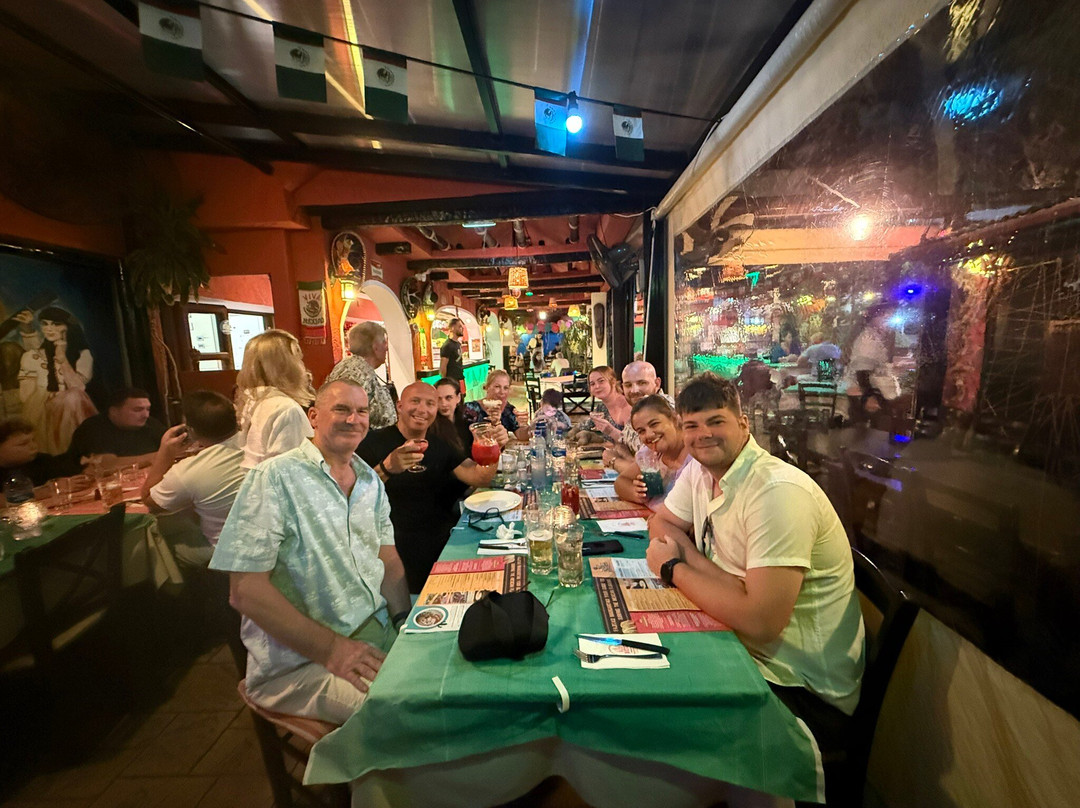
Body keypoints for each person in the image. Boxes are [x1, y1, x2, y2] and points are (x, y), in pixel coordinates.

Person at [645, 372, 864, 752]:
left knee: (654, 717)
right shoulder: (700, 469)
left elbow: (761, 623)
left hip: (799, 690)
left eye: (716, 421)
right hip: (740, 645)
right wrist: (716, 577)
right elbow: (660, 523)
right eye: (692, 426)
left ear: (743, 424)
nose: (703, 435)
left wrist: (674, 568)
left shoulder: (777, 493)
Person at [210, 379, 411, 724]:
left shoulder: (369, 480)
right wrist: (332, 649)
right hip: (301, 662)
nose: (354, 419)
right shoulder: (274, 477)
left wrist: (403, 620)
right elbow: (245, 591)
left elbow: (387, 559)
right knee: (404, 715)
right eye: (341, 409)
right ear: (313, 417)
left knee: (447, 680)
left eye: (362, 411)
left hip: (374, 630)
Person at [358, 382, 499, 594]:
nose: (422, 409)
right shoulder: (372, 442)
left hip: (444, 545)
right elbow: (354, 496)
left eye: (430, 404)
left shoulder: (440, 444)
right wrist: (387, 468)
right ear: (399, 406)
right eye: (415, 401)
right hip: (395, 550)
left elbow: (479, 477)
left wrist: (493, 448)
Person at [141, 391, 247, 567]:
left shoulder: (189, 471)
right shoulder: (257, 444)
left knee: (158, 543)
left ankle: (180, 584)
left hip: (228, 554)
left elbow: (149, 500)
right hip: (267, 544)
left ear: (191, 430)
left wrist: (165, 452)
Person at [16, 306, 97, 455]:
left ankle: (80, 451)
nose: (49, 329)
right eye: (45, 324)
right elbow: (25, 396)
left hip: (73, 406)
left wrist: (62, 358)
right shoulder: (31, 357)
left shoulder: (83, 355)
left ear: (68, 327)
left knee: (73, 397)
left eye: (56, 324)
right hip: (43, 409)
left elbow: (78, 388)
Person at [235, 329, 315, 470]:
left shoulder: (252, 401)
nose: (303, 366)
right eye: (298, 359)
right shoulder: (286, 408)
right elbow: (292, 470)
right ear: (287, 366)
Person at [613, 396, 691, 511]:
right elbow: (621, 481)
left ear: (674, 419)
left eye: (654, 424)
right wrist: (636, 493)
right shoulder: (650, 454)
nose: (649, 434)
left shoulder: (696, 454)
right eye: (641, 431)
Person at [601, 361, 674, 475]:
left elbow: (650, 473)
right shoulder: (639, 409)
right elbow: (624, 444)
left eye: (642, 383)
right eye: (628, 385)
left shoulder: (664, 409)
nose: (634, 390)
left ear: (657, 383)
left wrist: (614, 461)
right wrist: (630, 459)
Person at [67, 387, 167, 465]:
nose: (146, 415)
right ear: (114, 411)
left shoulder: (150, 423)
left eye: (148, 409)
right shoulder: (92, 429)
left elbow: (172, 444)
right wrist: (161, 455)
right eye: (137, 410)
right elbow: (106, 465)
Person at [325, 321, 396, 429]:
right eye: (384, 342)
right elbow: (348, 417)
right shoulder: (354, 372)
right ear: (375, 346)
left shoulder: (355, 367)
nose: (386, 348)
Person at [843, 303, 899, 424]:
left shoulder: (875, 337)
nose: (888, 321)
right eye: (886, 316)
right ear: (875, 318)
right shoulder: (868, 339)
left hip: (867, 392)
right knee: (866, 430)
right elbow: (861, 370)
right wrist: (869, 396)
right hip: (864, 394)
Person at [0, 417, 79, 486]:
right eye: (23, 444)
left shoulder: (43, 461)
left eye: (33, 440)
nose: (33, 446)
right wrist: (45, 490)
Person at [463, 369, 527, 439]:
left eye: (506, 388)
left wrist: (528, 425)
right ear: (487, 388)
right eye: (497, 387)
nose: (502, 392)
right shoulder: (470, 409)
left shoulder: (508, 409)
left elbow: (521, 434)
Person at [576, 365, 630, 445]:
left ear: (613, 382)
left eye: (601, 381)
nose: (597, 386)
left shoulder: (627, 406)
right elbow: (585, 425)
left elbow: (632, 443)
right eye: (592, 384)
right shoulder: (601, 407)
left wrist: (611, 431)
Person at [430, 376, 470, 455]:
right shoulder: (432, 429)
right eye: (439, 399)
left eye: (448, 398)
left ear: (458, 398)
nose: (443, 404)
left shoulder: (466, 423)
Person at [438, 318, 465, 389]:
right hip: (452, 381)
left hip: (460, 379)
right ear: (452, 328)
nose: (462, 328)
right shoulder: (447, 345)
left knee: (462, 395)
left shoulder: (458, 344)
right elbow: (443, 367)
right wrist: (446, 383)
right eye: (459, 326)